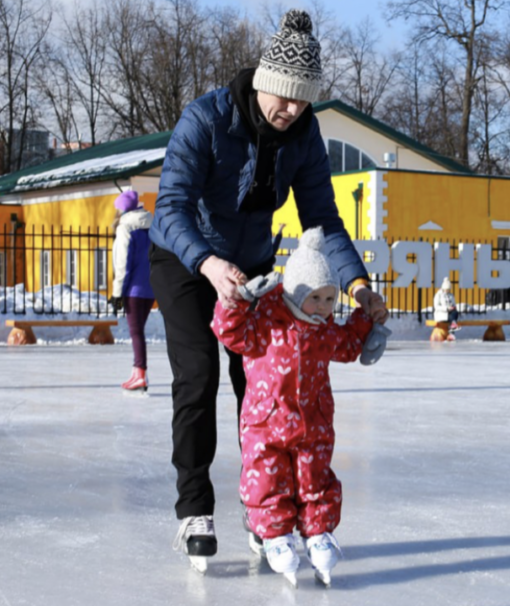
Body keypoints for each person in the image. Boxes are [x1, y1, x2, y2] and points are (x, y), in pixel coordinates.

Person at [149, 9, 388, 572]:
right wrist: (207, 263)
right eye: (285, 98)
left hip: (253, 267)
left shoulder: (304, 136)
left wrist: (357, 285)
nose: (292, 110)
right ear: (263, 82)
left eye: (303, 101)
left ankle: (266, 509)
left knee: (261, 386)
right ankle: (194, 509)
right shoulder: (205, 119)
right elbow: (171, 207)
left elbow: (324, 220)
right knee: (199, 375)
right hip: (186, 262)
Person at [211, 228, 379, 587]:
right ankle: (275, 535)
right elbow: (229, 331)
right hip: (266, 425)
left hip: (313, 426)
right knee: (268, 481)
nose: (321, 306)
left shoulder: (326, 330)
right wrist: (236, 301)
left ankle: (318, 533)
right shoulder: (266, 325)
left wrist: (366, 317)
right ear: (294, 293)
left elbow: (349, 345)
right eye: (314, 297)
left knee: (315, 480)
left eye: (329, 298)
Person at [110, 190, 155, 391]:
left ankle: (140, 374)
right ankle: (136, 371)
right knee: (138, 331)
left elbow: (123, 264)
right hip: (150, 287)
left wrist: (117, 293)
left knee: (136, 332)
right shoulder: (151, 225)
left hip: (133, 290)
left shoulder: (125, 228)